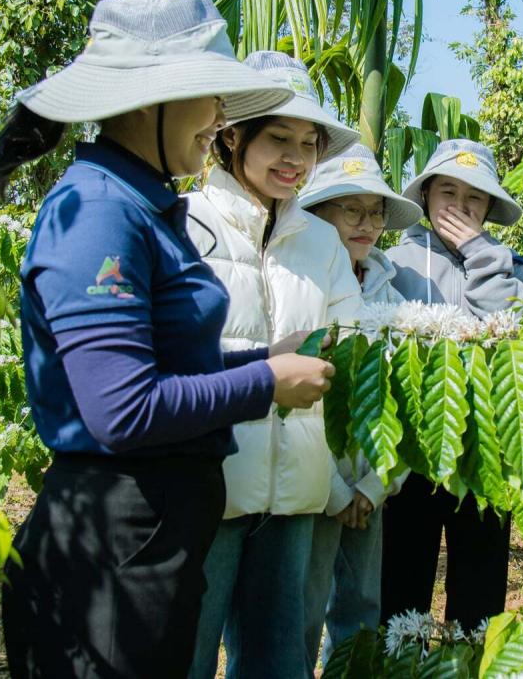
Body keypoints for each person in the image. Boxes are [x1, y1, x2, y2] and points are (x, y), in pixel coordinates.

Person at [0, 0, 336, 678]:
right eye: (209, 97)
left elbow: (165, 361)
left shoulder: (144, 205)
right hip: (113, 543)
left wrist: (257, 358)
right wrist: (265, 383)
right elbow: (122, 408)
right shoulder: (97, 210)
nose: (219, 118)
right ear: (152, 99)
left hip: (153, 535)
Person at [185, 51, 364, 679]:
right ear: (232, 136)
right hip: (210, 487)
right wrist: (267, 367)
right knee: (186, 652)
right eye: (278, 139)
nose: (296, 158)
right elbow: (167, 358)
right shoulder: (186, 226)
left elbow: (352, 339)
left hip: (294, 492)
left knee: (278, 661)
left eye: (309, 144)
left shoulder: (321, 241)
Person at [379, 139, 523, 633]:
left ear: (490, 207)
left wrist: (480, 254)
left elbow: (522, 332)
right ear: (426, 197)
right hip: (411, 454)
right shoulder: (396, 264)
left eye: (474, 197)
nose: (459, 206)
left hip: (486, 452)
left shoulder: (513, 267)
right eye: (447, 191)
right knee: (400, 589)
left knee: (479, 591)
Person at [296, 144, 423, 669]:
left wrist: (374, 488)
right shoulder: (305, 286)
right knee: (301, 612)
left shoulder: (392, 296)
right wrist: (332, 491)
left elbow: (407, 404)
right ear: (321, 213)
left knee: (359, 608)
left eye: (375, 211)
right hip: (313, 485)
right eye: (351, 209)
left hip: (371, 486)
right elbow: (299, 401)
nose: (366, 223)